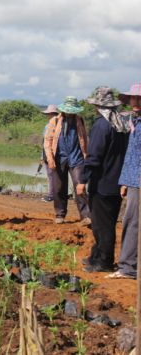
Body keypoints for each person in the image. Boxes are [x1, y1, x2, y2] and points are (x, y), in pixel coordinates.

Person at [76, 87, 129, 273]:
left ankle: (104, 262)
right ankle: (96, 256)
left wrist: (82, 180)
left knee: (102, 225)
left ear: (97, 106)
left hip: (102, 183)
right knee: (107, 222)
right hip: (116, 182)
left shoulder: (101, 125)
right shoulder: (120, 123)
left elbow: (94, 156)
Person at [111, 83, 141, 279]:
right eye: (133, 98)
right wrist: (125, 181)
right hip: (132, 180)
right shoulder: (134, 122)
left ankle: (128, 267)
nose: (135, 101)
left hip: (138, 181)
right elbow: (131, 154)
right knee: (131, 221)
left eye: (139, 98)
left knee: (132, 222)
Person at [44, 96, 90, 224]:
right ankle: (60, 214)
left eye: (72, 111)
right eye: (68, 110)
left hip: (76, 157)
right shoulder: (55, 120)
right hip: (60, 157)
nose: (70, 113)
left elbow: (84, 138)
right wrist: (50, 159)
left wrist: (87, 156)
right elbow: (47, 141)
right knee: (59, 187)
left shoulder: (79, 120)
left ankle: (85, 216)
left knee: (79, 184)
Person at [40, 105, 59, 202]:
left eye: (48, 114)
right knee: (57, 175)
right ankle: (57, 193)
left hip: (49, 153)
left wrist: (42, 156)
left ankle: (51, 195)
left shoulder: (48, 126)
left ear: (51, 114)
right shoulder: (60, 124)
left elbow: (45, 142)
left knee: (51, 175)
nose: (47, 115)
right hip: (58, 153)